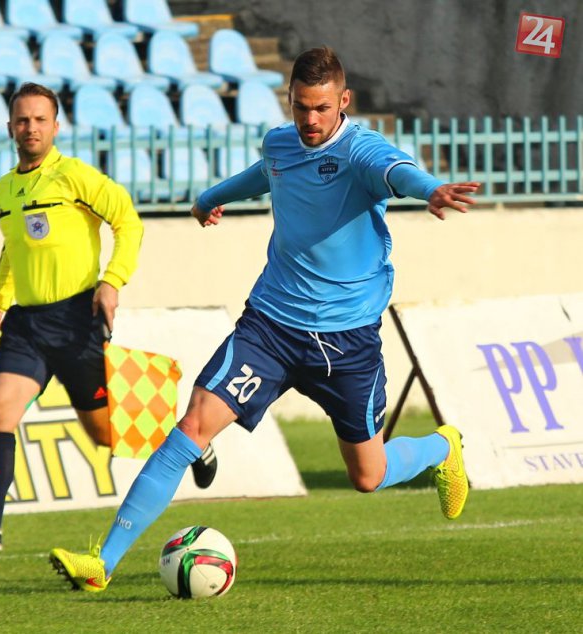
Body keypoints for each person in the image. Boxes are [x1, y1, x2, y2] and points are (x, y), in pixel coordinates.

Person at [50, 47, 479, 592]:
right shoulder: (281, 143)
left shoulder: (361, 151)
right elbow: (268, 173)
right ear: (289, 100)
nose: (310, 119)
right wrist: (212, 196)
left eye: (322, 108)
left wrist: (430, 189)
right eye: (301, 106)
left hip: (347, 341)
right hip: (271, 327)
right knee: (191, 428)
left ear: (344, 101)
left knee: (368, 476)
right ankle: (102, 565)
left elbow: (397, 171)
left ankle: (443, 448)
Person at [0, 82, 218, 552]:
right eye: (22, 120)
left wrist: (112, 281)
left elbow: (127, 220)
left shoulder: (73, 177)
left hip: (75, 320)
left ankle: (192, 440)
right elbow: (13, 248)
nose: (30, 128)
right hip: (26, 325)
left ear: (56, 126)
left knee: (105, 432)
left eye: (39, 120)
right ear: (10, 127)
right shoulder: (6, 187)